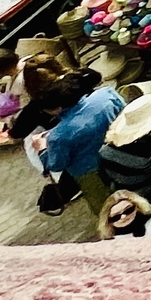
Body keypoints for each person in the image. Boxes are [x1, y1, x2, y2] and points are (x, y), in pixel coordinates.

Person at [27, 67, 122, 225]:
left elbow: (57, 165)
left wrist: (43, 149)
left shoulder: (58, 136)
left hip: (91, 173)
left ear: (57, 108)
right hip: (122, 152)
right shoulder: (107, 94)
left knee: (107, 209)